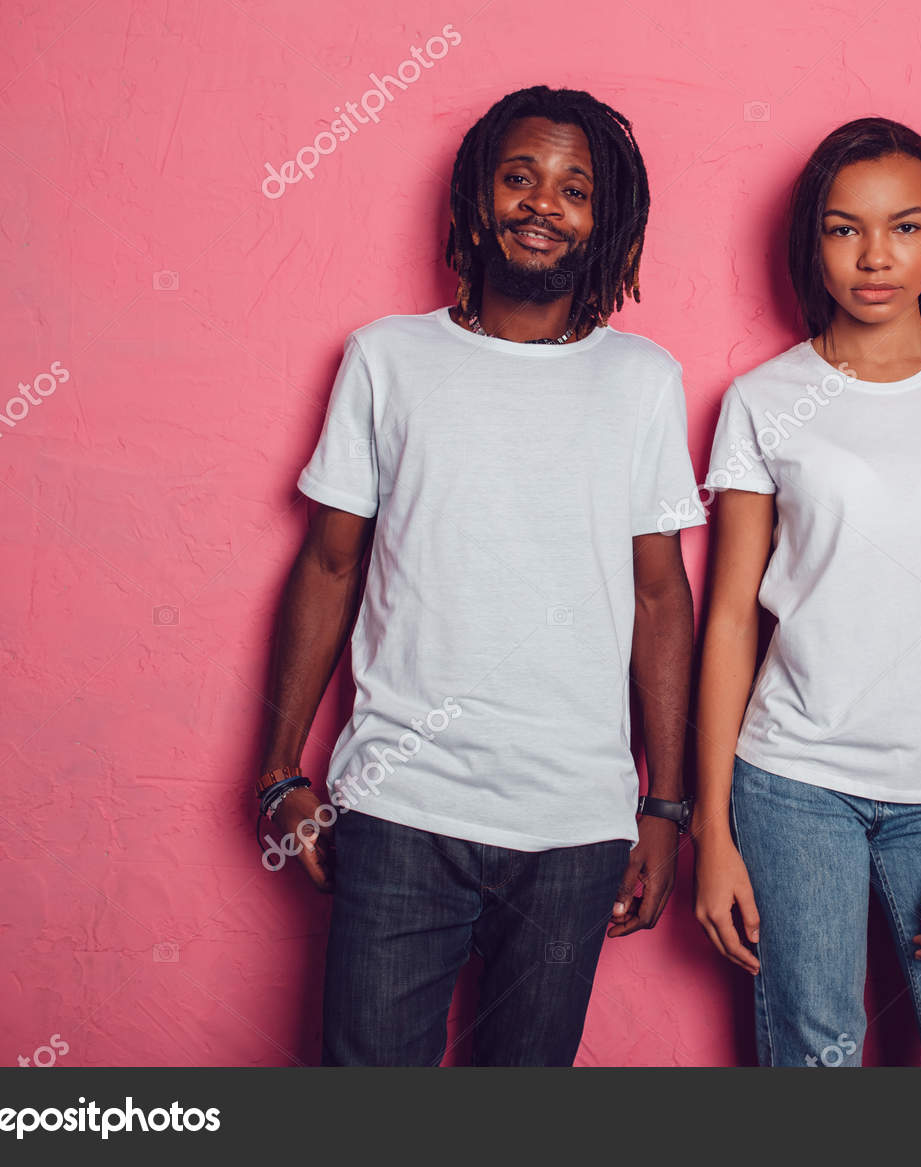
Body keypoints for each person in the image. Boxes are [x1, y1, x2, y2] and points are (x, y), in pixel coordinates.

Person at [255, 85, 704, 1067]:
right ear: (474, 201)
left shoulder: (641, 381)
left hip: (573, 827)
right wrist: (281, 769)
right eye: (520, 177)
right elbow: (330, 562)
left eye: (574, 188)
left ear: (605, 220)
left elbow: (662, 595)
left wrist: (666, 808)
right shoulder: (387, 359)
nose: (544, 203)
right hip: (397, 805)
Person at [691, 117, 921, 1067]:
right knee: (817, 1055)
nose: (874, 257)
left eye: (905, 227)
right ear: (810, 241)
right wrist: (711, 830)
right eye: (843, 228)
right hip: (791, 783)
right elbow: (730, 618)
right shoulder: (764, 399)